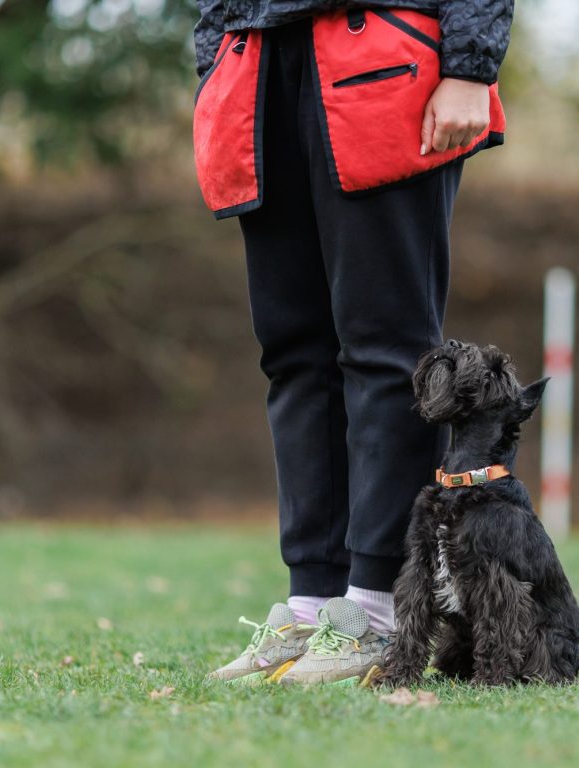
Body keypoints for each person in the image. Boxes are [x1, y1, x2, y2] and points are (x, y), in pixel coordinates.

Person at [193, 0, 513, 686]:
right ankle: (312, 606)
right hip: (259, 68)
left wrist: (470, 66)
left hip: (385, 51)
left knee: (386, 353)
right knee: (293, 358)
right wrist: (213, 57)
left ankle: (378, 611)